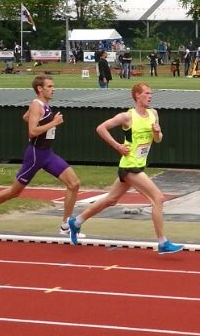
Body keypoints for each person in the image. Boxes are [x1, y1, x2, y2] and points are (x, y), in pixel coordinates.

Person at [66, 82, 183, 254]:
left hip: (139, 165)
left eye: (151, 93)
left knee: (110, 200)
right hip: (129, 166)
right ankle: (162, 242)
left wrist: (157, 132)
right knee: (157, 198)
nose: (150, 96)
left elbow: (158, 140)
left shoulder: (153, 114)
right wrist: (117, 146)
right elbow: (101, 128)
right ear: (137, 95)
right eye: (146, 93)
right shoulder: (127, 116)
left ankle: (75, 222)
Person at [0, 74, 82, 234]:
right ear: (40, 89)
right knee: (14, 192)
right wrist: (53, 123)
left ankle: (66, 225)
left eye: (53, 86)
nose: (53, 89)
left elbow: (26, 117)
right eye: (49, 86)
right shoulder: (37, 104)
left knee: (74, 184)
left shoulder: (41, 105)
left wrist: (40, 119)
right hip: (36, 155)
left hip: (48, 154)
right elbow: (32, 132)